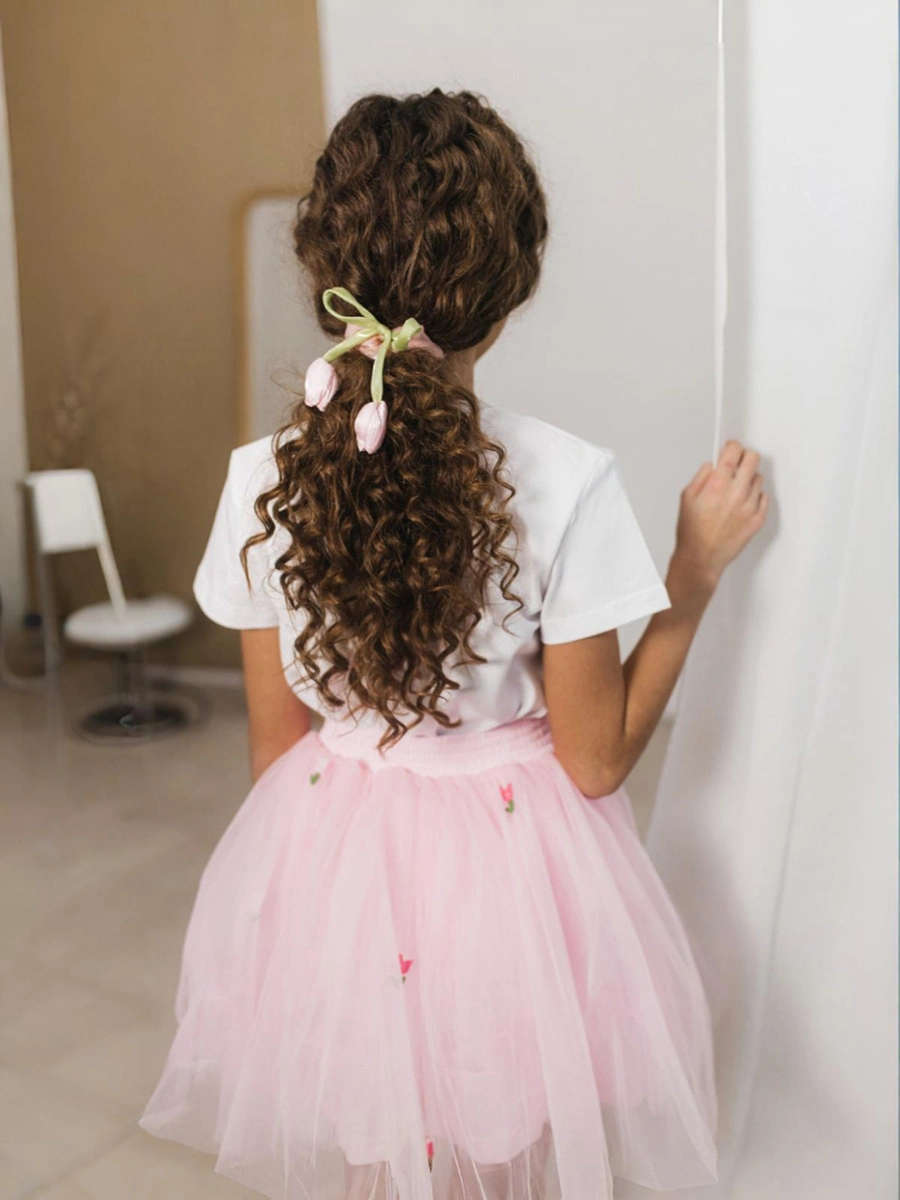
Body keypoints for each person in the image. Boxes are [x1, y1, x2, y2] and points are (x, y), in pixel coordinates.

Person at [140, 89, 767, 1200]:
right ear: (508, 293)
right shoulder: (566, 479)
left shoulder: (256, 481)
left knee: (381, 1140)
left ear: (327, 272)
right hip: (512, 884)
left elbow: (277, 755)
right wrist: (693, 575)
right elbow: (595, 761)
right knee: (504, 1142)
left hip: (337, 870)